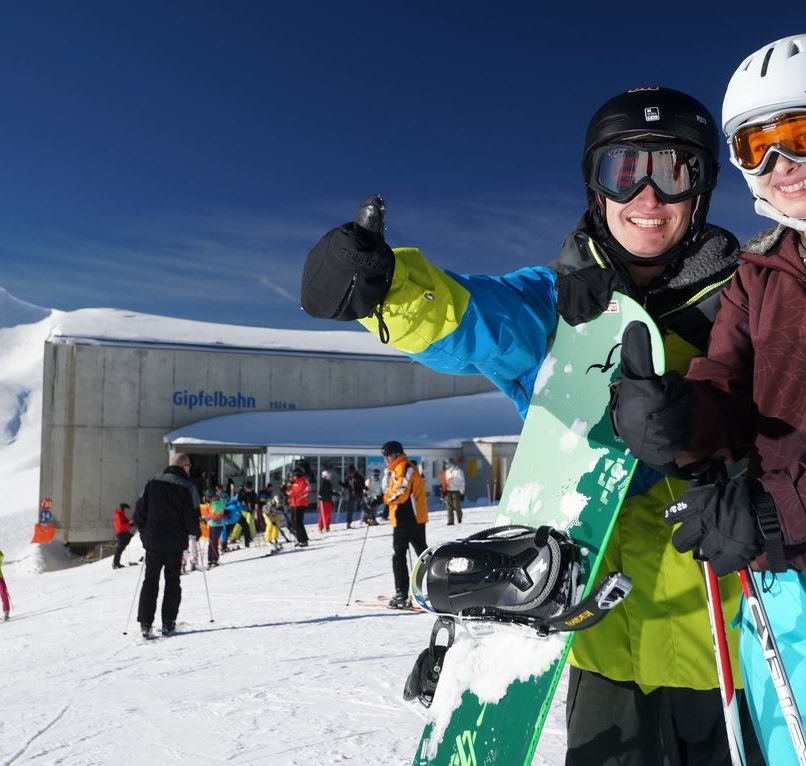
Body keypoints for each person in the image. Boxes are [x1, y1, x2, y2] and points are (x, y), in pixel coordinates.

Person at [301, 87, 764, 765]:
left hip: (735, 649)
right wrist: (385, 288)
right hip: (606, 648)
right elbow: (475, 318)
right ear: (594, 186)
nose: (647, 196)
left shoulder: (753, 297)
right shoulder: (555, 304)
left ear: (702, 189)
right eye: (623, 171)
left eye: (673, 172)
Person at [610, 33, 806, 765]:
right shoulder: (759, 273)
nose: (779, 166)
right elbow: (725, 390)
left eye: (801, 137)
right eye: (754, 146)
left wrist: (779, 504)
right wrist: (678, 420)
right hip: (779, 586)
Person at [134, 452, 201, 637]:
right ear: (185, 467)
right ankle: (168, 622)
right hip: (174, 544)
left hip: (153, 543)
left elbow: (138, 513)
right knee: (173, 581)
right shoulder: (189, 487)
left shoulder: (151, 482)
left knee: (150, 581)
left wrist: (145, 535)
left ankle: (145, 623)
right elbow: (192, 518)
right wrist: (196, 531)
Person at [379, 441, 428, 609]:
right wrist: (385, 505)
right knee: (421, 554)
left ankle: (402, 593)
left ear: (396, 454)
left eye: (388, 455)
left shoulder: (405, 468)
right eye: (384, 456)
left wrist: (381, 500)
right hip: (405, 518)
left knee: (404, 556)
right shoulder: (395, 470)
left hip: (409, 519)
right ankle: (431, 589)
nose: (385, 458)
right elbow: (393, 491)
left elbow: (401, 492)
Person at [286, 468, 311, 547]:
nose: (293, 477)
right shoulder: (295, 482)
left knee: (298, 522)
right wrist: (287, 489)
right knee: (294, 523)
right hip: (294, 504)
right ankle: (298, 539)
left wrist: (288, 491)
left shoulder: (302, 482)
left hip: (300, 504)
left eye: (294, 476)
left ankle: (303, 540)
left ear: (297, 475)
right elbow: (290, 492)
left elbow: (296, 493)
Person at [442, 459, 465, 525]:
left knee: (456, 506)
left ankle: (459, 518)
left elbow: (462, 481)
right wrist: (444, 489)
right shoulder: (447, 471)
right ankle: (450, 521)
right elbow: (444, 481)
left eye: (447, 463)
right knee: (449, 507)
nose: (446, 465)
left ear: (451, 463)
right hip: (448, 491)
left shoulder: (458, 471)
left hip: (456, 491)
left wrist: (462, 491)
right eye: (445, 464)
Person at [112, 503, 134, 569]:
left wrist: (130, 524)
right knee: (119, 549)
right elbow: (121, 525)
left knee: (121, 548)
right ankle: (115, 563)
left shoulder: (120, 514)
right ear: (124, 508)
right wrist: (129, 524)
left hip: (123, 533)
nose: (127, 511)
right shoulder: (118, 515)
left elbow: (125, 524)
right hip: (121, 533)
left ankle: (116, 563)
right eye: (127, 509)